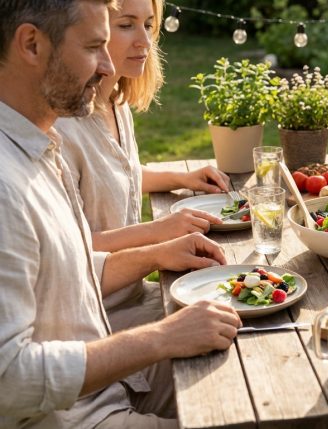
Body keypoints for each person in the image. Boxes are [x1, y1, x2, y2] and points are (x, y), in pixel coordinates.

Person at [0, 1, 241, 428]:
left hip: (107, 390)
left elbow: (64, 268)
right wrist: (162, 338)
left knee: (249, 353)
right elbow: (8, 380)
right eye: (96, 45)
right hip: (75, 417)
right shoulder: (6, 182)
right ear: (31, 45)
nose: (108, 65)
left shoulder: (39, 146)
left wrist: (155, 256)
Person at [55, 0, 229, 330]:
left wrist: (183, 177)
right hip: (97, 315)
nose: (145, 41)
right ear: (94, 30)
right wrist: (158, 234)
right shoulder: (64, 128)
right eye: (126, 25)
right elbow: (68, 246)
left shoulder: (115, 103)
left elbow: (120, 174)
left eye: (148, 25)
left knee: (236, 295)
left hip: (134, 294)